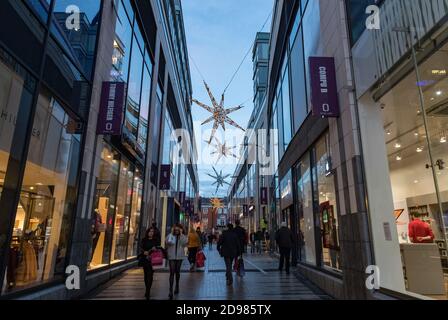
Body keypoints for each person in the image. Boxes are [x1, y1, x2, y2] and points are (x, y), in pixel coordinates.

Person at [165, 224, 188, 300]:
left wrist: (181, 234)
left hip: (179, 257)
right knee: (172, 272)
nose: (177, 231)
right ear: (174, 230)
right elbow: (167, 242)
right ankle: (170, 290)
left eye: (178, 230)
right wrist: (171, 234)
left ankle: (177, 285)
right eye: (176, 230)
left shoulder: (182, 236)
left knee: (177, 272)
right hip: (171, 256)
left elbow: (185, 243)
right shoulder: (171, 235)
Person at [140, 228, 160, 300]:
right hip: (145, 259)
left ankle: (148, 291)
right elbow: (141, 248)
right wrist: (143, 252)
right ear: (147, 232)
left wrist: (156, 248)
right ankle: (147, 289)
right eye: (150, 231)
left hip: (152, 260)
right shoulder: (144, 240)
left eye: (152, 232)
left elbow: (159, 248)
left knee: (150, 275)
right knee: (146, 275)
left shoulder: (155, 240)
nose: (151, 233)